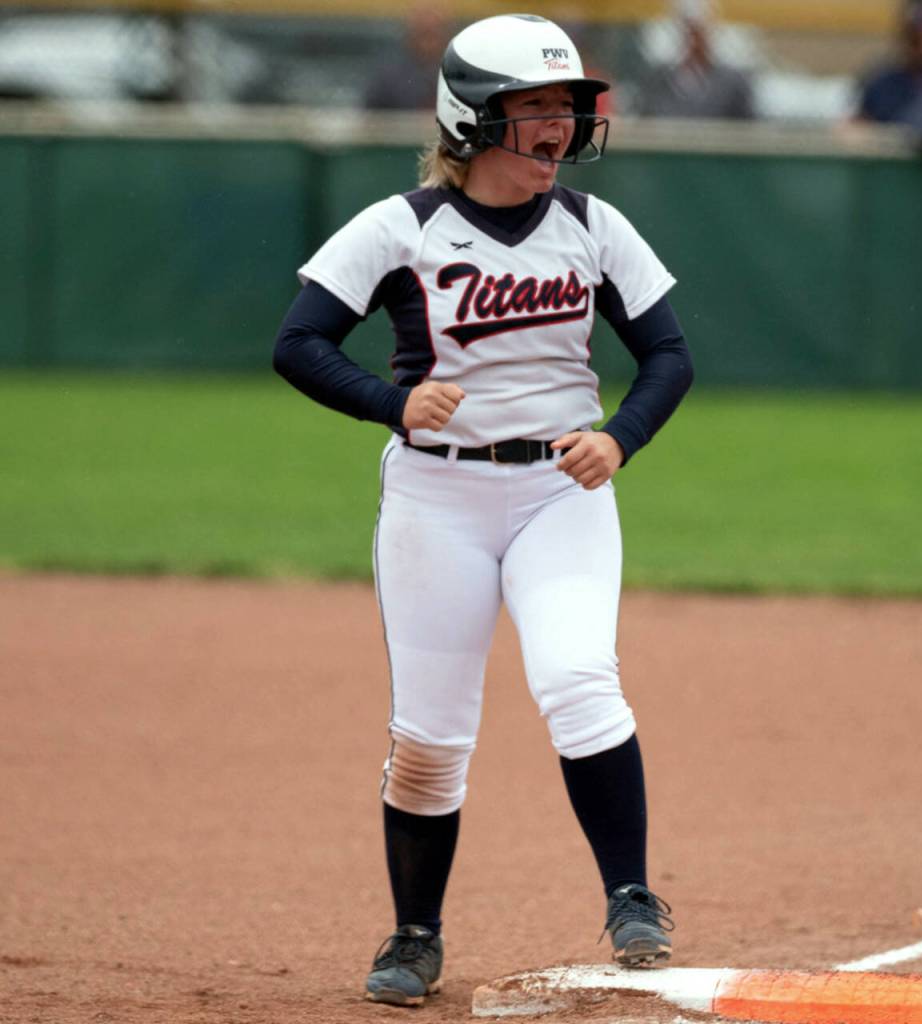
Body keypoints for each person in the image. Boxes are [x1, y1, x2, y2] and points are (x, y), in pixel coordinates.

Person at [273, 13, 694, 1008]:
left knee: (580, 679)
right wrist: (388, 400)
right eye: (535, 108)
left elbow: (668, 355)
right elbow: (299, 341)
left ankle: (631, 895)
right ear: (471, 118)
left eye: (567, 107)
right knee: (428, 737)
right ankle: (415, 935)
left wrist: (619, 435)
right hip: (436, 498)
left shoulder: (592, 227)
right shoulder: (400, 227)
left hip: (560, 491)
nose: (560, 127)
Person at [635, 1, 754, 120]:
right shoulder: (658, 81)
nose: (693, 37)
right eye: (688, 29)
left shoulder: (732, 84)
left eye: (698, 30)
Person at [855, 1, 922, 124]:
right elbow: (861, 121)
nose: (919, 46)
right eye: (913, 39)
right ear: (901, 37)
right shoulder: (879, 83)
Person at [363, 3, 451, 111]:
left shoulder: (460, 72)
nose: (427, 43)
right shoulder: (388, 77)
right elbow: (371, 119)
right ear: (411, 33)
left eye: (433, 34)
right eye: (423, 33)